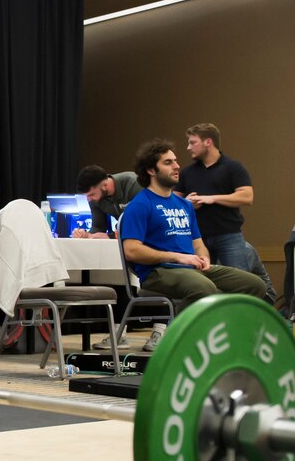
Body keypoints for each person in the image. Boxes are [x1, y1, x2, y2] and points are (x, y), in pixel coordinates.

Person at [120, 138, 266, 351]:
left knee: (254, 285)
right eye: (168, 162)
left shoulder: (183, 205)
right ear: (151, 170)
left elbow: (198, 244)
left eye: (176, 161)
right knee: (203, 287)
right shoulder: (141, 204)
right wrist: (176, 257)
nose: (177, 166)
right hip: (158, 271)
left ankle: (225, 336)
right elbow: (131, 250)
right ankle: (176, 341)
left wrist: (204, 258)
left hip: (190, 268)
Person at [175, 123, 253, 270]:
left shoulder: (233, 167)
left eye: (193, 142)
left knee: (239, 280)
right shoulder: (187, 172)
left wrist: (212, 198)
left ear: (208, 142)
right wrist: (186, 203)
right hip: (197, 238)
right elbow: (172, 202)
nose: (188, 147)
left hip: (229, 235)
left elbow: (247, 197)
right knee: (200, 283)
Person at [71, 164, 141, 239]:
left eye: (91, 194)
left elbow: (141, 223)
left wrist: (111, 236)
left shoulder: (135, 184)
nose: (88, 199)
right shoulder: (95, 198)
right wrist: (86, 235)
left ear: (105, 185)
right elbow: (98, 227)